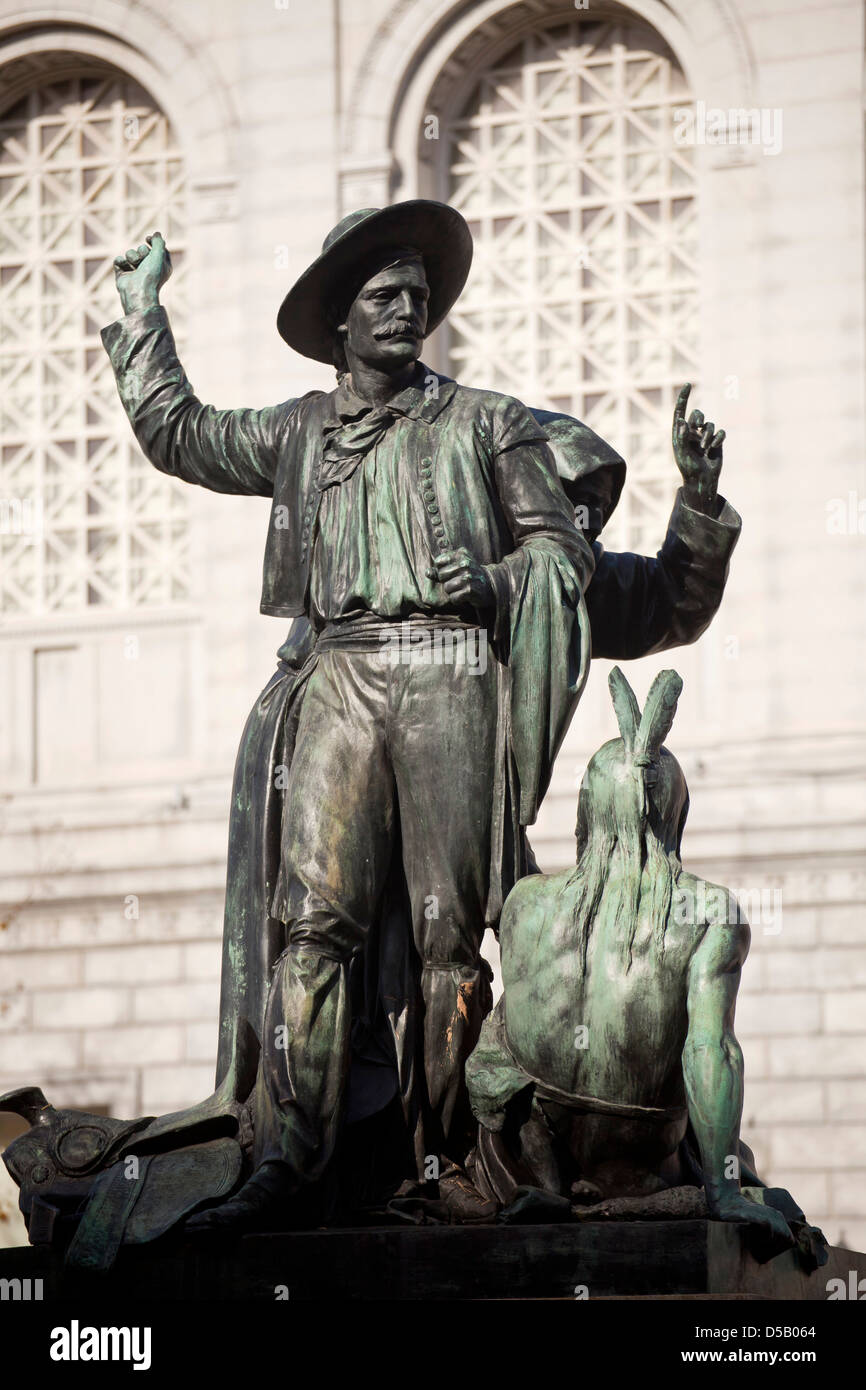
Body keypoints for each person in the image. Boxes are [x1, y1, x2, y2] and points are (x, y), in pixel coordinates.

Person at [103, 201, 740, 1230]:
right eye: (383, 296)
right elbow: (179, 433)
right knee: (311, 922)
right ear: (339, 321)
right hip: (341, 679)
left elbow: (567, 561)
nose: (408, 309)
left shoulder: (488, 421)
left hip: (448, 673)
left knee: (451, 935)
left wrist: (493, 583)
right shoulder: (298, 431)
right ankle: (291, 1165)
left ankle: (439, 1167)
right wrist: (141, 313)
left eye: (418, 295)